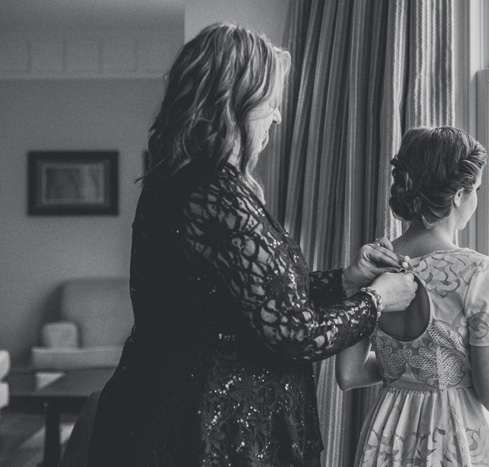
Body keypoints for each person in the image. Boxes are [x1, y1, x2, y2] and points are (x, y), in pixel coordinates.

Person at [86, 23, 417, 467]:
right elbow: (296, 335)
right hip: (209, 431)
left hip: (169, 411)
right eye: (269, 102)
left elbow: (253, 301)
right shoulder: (216, 194)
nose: (277, 116)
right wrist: (378, 300)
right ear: (232, 105)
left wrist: (347, 279)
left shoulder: (181, 183)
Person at [336, 126, 489, 466]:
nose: (475, 198)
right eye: (475, 189)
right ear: (459, 195)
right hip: (454, 434)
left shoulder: (372, 263)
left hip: (388, 433)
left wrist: (403, 368)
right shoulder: (475, 271)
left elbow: (349, 375)